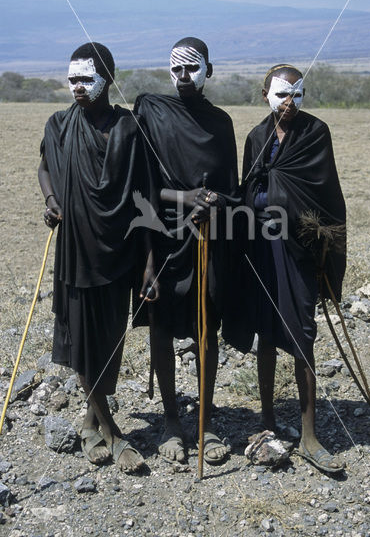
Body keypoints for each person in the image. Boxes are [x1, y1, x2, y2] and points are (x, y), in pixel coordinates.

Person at [39, 42, 153, 473]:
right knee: (84, 344)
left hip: (119, 252)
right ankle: (115, 433)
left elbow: (142, 199)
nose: (78, 87)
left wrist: (146, 264)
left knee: (109, 342)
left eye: (86, 79)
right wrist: (51, 200)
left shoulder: (128, 128)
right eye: (72, 79)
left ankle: (89, 424)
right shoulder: (59, 125)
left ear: (108, 78)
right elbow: (44, 167)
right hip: (75, 253)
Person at [134, 37, 238, 464]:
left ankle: (206, 422)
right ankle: (172, 420)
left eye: (192, 68)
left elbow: (231, 189)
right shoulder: (151, 111)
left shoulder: (221, 121)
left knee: (205, 329)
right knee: (160, 327)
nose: (183, 76)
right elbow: (139, 184)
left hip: (207, 238)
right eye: (175, 68)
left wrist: (211, 203)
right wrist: (186, 197)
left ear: (209, 71)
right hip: (160, 235)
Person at [240, 64, 346, 473]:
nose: (289, 103)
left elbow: (325, 196)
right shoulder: (255, 138)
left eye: (297, 95)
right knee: (265, 331)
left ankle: (308, 434)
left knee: (303, 334)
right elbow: (248, 189)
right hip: (261, 249)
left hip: (300, 250)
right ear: (265, 93)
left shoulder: (315, 134)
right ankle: (267, 420)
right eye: (282, 94)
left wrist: (321, 249)